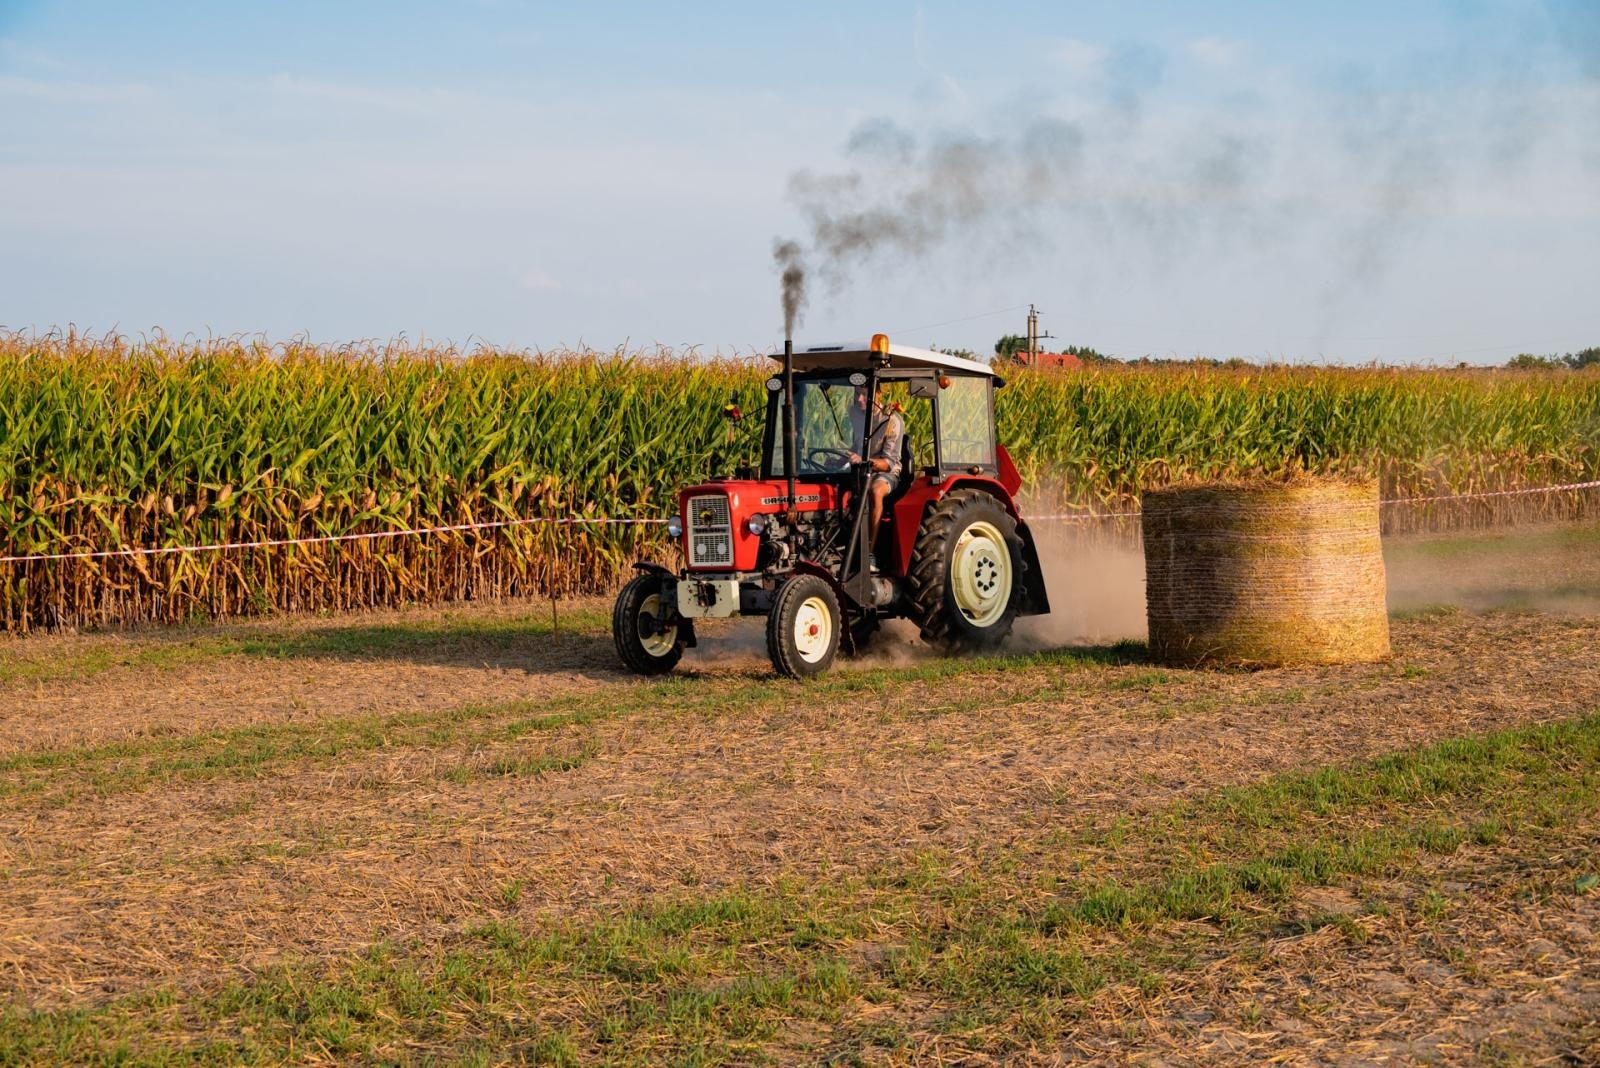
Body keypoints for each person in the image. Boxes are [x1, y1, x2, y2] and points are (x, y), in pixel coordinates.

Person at [850, 383, 904, 569]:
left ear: (878, 394)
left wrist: (864, 459)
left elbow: (889, 463)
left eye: (864, 395)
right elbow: (855, 444)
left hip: (886, 473)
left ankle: (869, 553)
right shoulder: (854, 414)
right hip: (861, 470)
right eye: (857, 394)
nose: (859, 399)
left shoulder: (891, 421)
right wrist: (838, 458)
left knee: (875, 490)